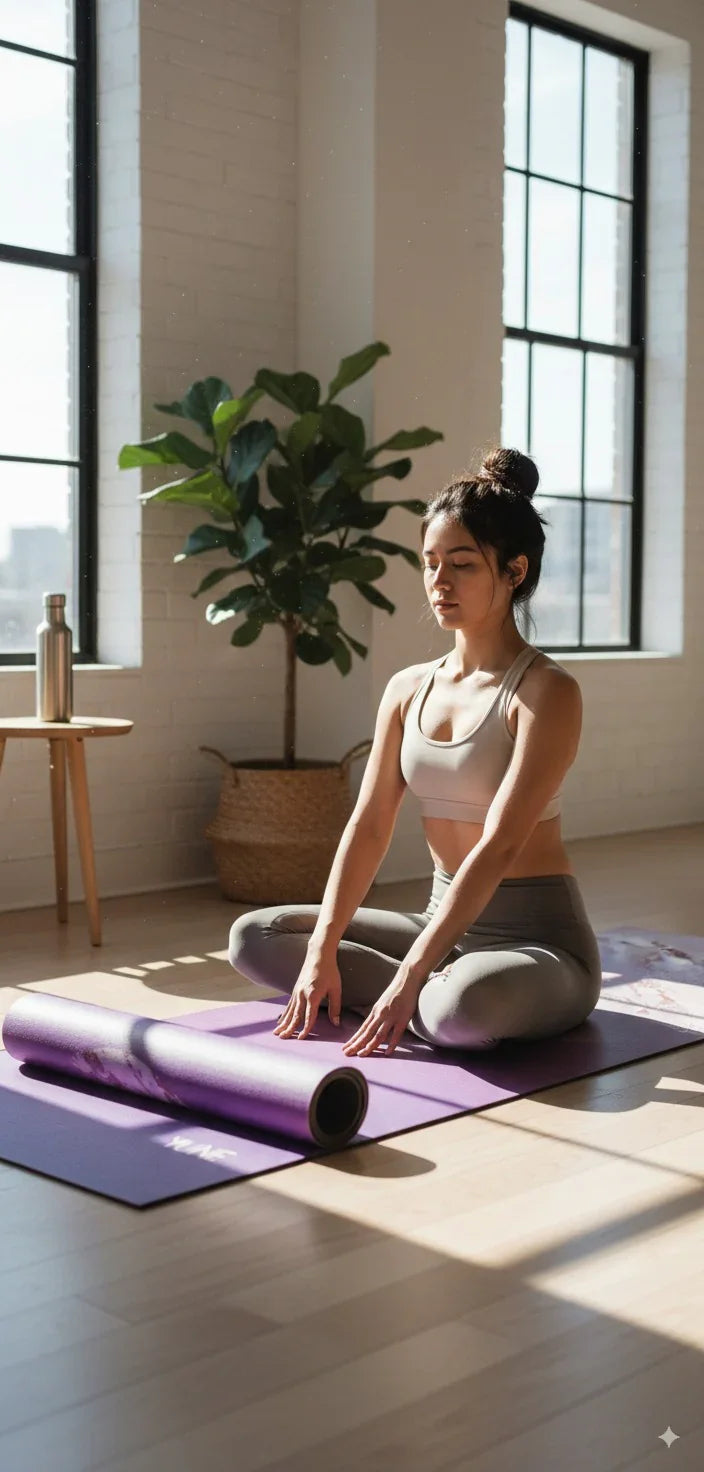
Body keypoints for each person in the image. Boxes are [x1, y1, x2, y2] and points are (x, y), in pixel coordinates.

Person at [228, 446, 603, 1058]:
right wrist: (323, 950)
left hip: (537, 944)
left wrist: (406, 975)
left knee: (461, 1007)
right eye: (430, 563)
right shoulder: (409, 689)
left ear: (514, 570)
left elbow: (501, 843)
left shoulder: (546, 692)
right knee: (256, 936)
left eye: (462, 564)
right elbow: (370, 823)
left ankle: (415, 994)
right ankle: (409, 991)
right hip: (438, 925)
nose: (440, 582)